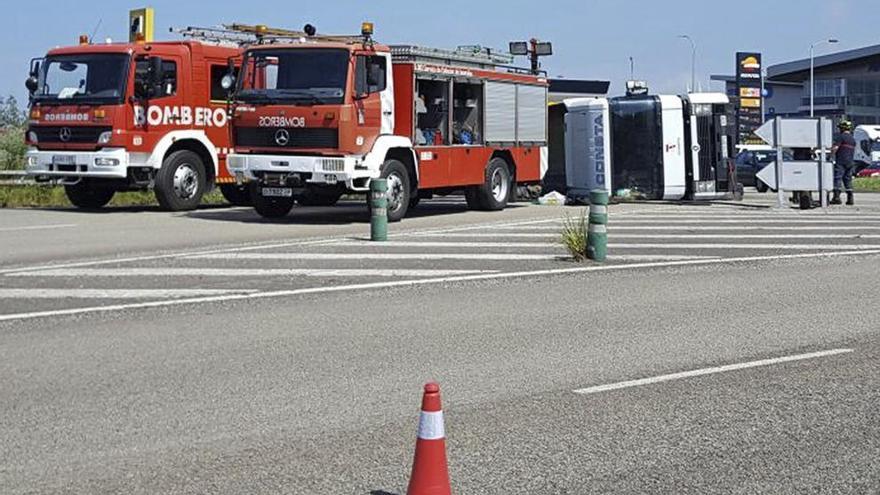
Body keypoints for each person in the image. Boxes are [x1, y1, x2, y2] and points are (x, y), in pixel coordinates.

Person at [831, 120, 857, 205]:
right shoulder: (852, 139)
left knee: (837, 178)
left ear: (842, 128)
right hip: (850, 161)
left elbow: (835, 148)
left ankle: (836, 197)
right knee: (847, 179)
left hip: (841, 160)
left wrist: (830, 155)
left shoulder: (841, 137)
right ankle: (850, 199)